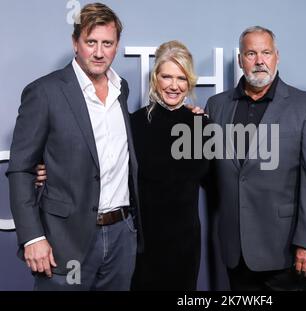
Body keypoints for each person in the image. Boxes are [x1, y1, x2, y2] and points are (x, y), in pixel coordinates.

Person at [6, 3, 141, 290]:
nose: (99, 52)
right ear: (75, 43)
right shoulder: (45, 92)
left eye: (107, 43)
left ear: (117, 46)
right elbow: (20, 170)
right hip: (64, 240)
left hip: (121, 235)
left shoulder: (121, 89)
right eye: (91, 42)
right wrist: (32, 237)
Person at [205, 26, 306, 290]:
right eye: (251, 53)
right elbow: (212, 172)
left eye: (266, 52)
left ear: (277, 56)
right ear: (241, 60)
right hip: (236, 251)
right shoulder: (216, 106)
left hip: (287, 252)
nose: (259, 60)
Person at [129, 41, 209, 291]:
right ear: (155, 78)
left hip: (184, 244)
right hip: (141, 243)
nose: (174, 86)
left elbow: (218, 181)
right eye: (167, 77)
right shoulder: (133, 124)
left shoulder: (203, 127)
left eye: (181, 78)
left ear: (190, 82)